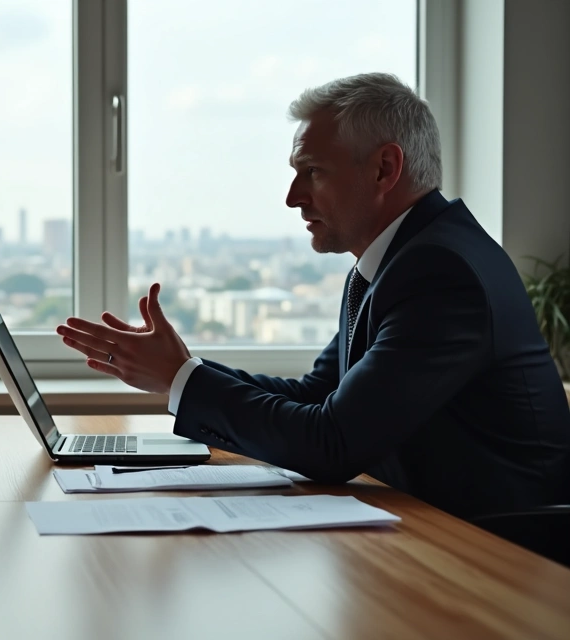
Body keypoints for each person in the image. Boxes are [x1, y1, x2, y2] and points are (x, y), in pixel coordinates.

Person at [57, 73, 570, 520]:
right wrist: (181, 368)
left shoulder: (440, 271)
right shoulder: (396, 260)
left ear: (385, 170)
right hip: (435, 529)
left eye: (313, 171)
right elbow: (315, 395)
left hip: (499, 552)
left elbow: (333, 443)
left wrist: (179, 378)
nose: (292, 196)